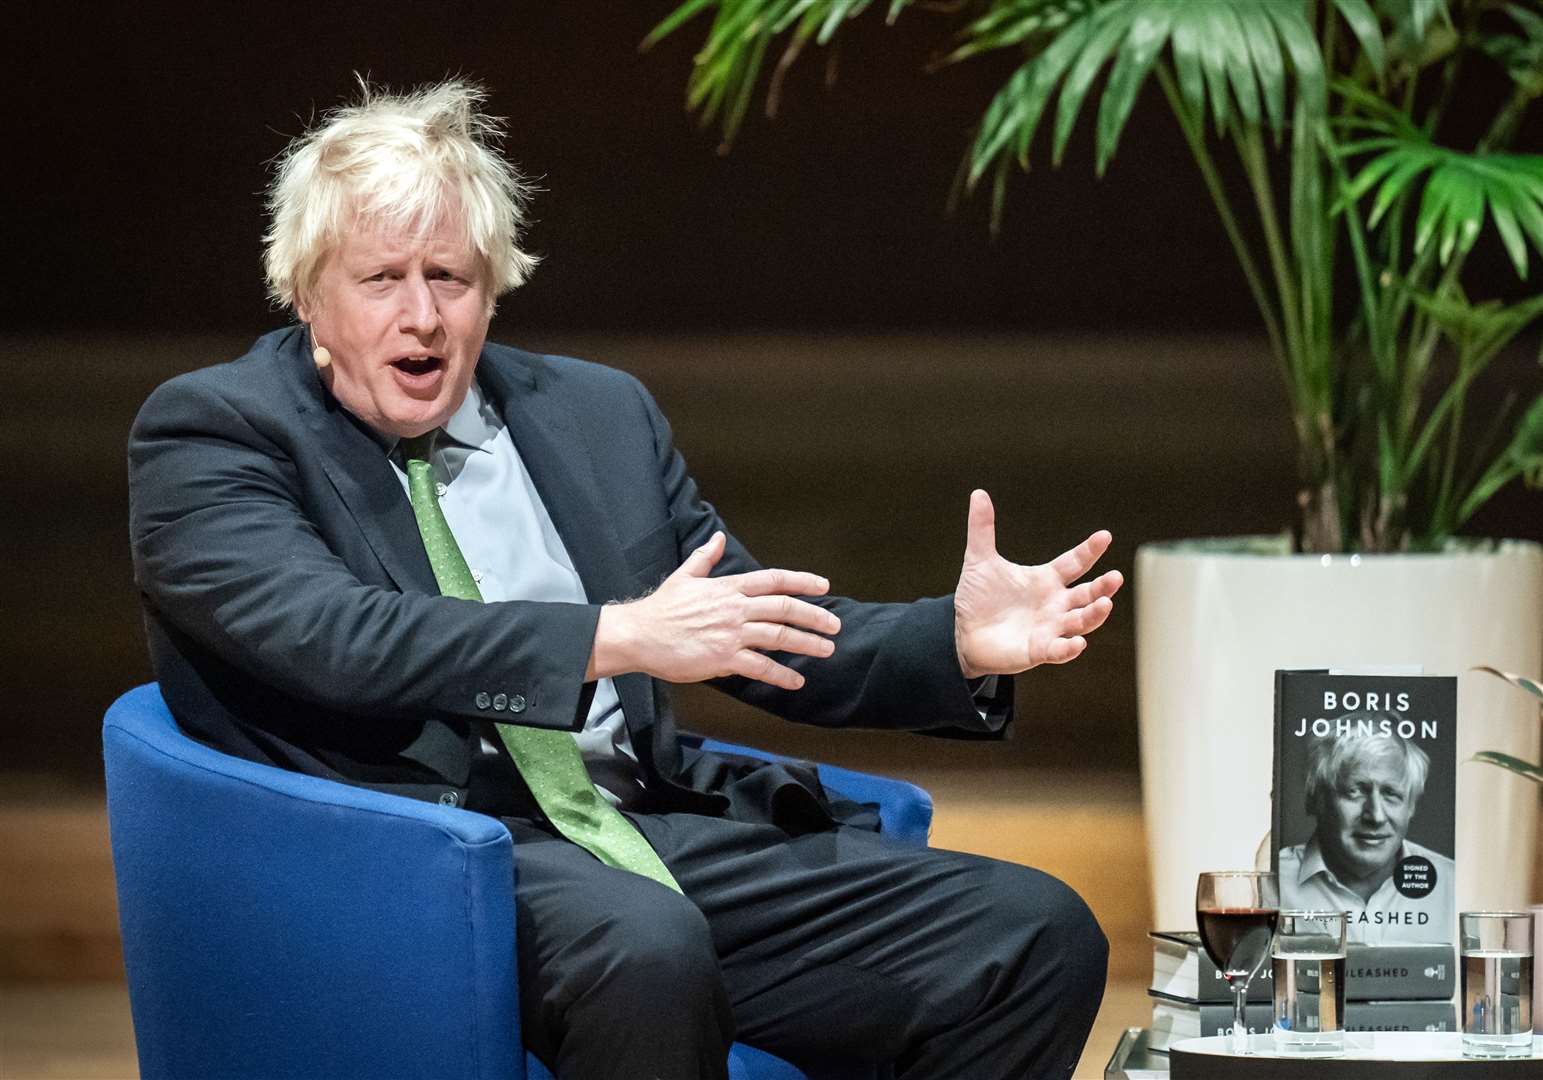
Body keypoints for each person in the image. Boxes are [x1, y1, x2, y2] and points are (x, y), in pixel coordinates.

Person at [127, 79, 1124, 1079]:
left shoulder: (594, 415)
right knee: (645, 949)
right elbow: (337, 636)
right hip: (419, 856)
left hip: (633, 820)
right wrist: (613, 637)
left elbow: (739, 620)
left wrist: (949, 643)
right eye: (381, 279)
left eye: (451, 277)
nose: (422, 316)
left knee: (1032, 935)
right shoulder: (214, 432)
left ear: (494, 285)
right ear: (308, 292)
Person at [1278, 723, 1455, 945]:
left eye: (1391, 794)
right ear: (1317, 800)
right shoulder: (1271, 883)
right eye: (1355, 791)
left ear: (1411, 807)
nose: (1376, 816)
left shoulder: (1452, 884)